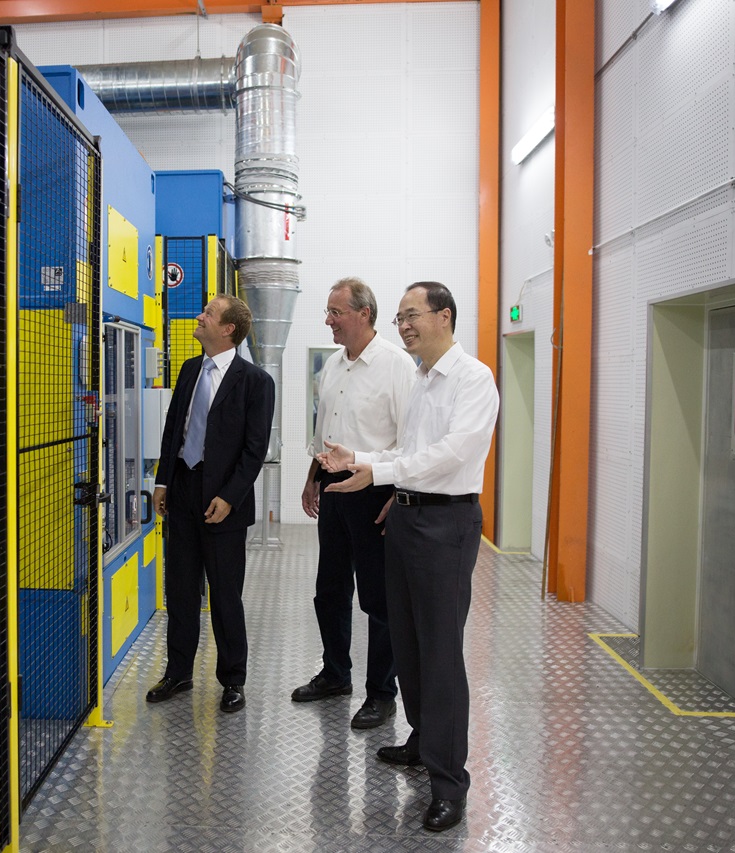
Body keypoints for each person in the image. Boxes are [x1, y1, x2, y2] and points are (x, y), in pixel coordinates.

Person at [318, 281, 498, 832]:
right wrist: (361, 457)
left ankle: (449, 784)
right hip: (405, 519)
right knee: (408, 641)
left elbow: (452, 454)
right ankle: (423, 741)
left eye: (412, 315)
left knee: (440, 653)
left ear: (445, 316)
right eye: (399, 318)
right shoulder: (420, 379)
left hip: (446, 523)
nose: (404, 326)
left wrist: (382, 471)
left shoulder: (473, 378)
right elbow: (408, 450)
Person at [294, 278, 415, 730]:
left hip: (374, 491)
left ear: (364, 314)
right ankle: (335, 675)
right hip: (333, 488)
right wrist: (313, 477)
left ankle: (382, 693)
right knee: (330, 589)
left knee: (378, 598)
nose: (328, 320)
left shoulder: (396, 366)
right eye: (328, 312)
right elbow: (323, 428)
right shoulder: (332, 365)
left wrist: (396, 493)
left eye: (336, 312)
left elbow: (410, 441)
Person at [149, 295, 274, 713]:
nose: (200, 317)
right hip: (183, 491)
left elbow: (254, 450)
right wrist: (163, 480)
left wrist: (229, 497)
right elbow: (174, 430)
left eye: (209, 314)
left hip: (223, 502)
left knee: (224, 596)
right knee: (181, 591)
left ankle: (233, 680)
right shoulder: (189, 370)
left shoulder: (255, 382)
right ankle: (178, 672)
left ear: (228, 329)